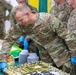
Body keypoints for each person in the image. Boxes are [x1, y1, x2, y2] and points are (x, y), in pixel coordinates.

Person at [12, 4, 76, 73]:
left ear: (27, 14)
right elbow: (8, 40)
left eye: (21, 20)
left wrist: (74, 54)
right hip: (47, 61)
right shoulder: (25, 25)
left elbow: (68, 36)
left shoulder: (47, 19)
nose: (20, 23)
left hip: (63, 58)